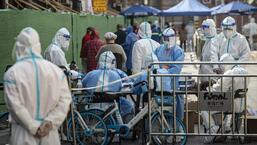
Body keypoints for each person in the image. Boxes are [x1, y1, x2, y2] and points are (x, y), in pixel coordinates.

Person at [4, 27, 71, 145]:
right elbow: (65, 101)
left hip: (23, 134)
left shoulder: (12, 74)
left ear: (19, 46)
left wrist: (33, 126)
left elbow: (15, 106)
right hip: (49, 134)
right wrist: (50, 122)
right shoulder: (56, 72)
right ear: (38, 45)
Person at [201, 53, 249, 143]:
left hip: (232, 105)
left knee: (204, 107)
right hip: (242, 106)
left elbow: (218, 89)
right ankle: (229, 131)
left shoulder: (230, 73)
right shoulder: (245, 71)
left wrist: (209, 87)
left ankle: (213, 129)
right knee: (219, 104)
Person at [82, 51, 134, 116]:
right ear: (113, 62)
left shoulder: (90, 74)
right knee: (128, 105)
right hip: (111, 108)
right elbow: (124, 86)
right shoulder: (116, 74)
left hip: (91, 107)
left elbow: (83, 85)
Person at [155, 27, 185, 125]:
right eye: (165, 39)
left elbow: (176, 68)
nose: (166, 41)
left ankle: (178, 126)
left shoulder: (178, 51)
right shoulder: (159, 49)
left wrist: (161, 69)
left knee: (178, 103)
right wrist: (164, 68)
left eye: (168, 39)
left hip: (173, 83)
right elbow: (153, 63)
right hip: (159, 84)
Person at [199, 19, 218, 83]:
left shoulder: (214, 41)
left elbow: (214, 56)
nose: (204, 30)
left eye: (205, 28)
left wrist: (215, 66)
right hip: (206, 74)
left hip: (211, 74)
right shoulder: (208, 40)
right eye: (203, 28)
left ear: (211, 28)